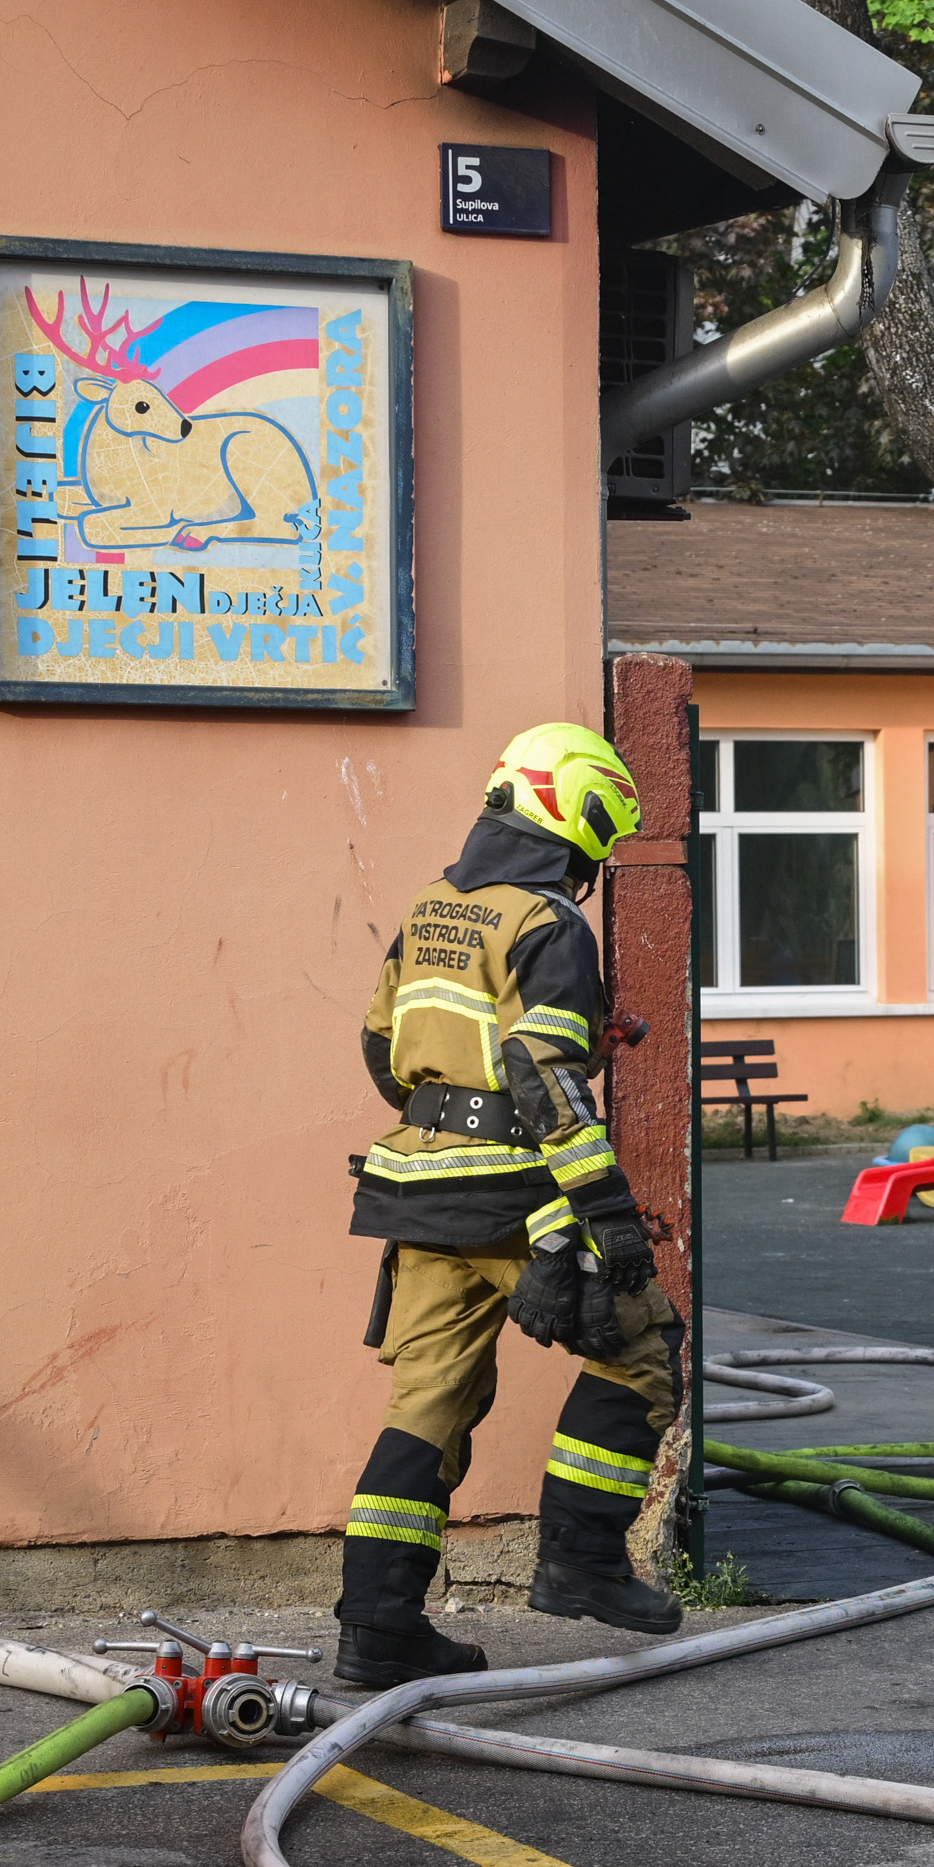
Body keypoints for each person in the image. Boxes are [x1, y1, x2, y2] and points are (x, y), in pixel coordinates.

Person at [339, 723, 686, 1691]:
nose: (588, 869)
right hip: (516, 1195)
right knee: (644, 1352)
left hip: (415, 1193)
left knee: (426, 1407)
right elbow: (541, 1066)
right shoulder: (549, 926)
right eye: (593, 845)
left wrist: (448, 1108)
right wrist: (606, 1211)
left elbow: (380, 1050)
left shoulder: (430, 910)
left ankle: (377, 1626)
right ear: (567, 816)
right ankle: (581, 1558)